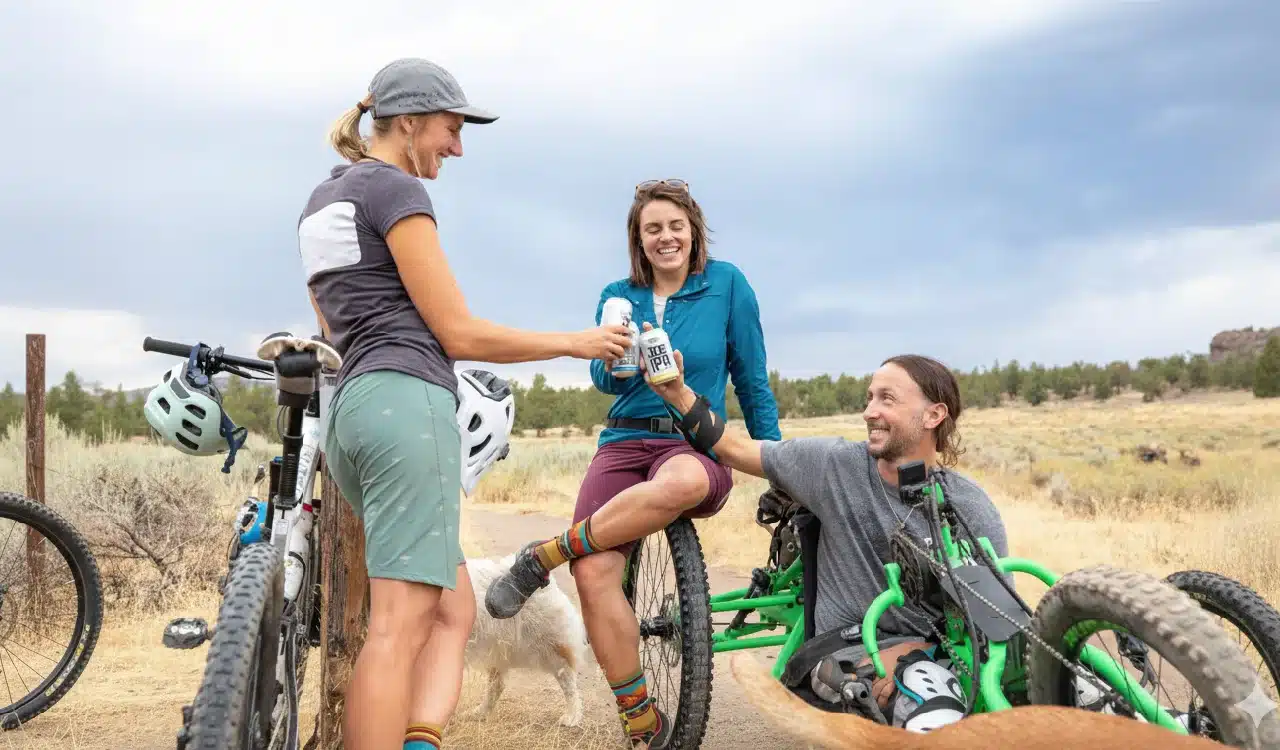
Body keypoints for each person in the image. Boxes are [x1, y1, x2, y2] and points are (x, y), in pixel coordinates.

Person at [298, 58, 633, 750]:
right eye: (451, 129)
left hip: (353, 415)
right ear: (412, 122)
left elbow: (332, 327)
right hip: (407, 406)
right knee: (396, 626)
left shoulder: (321, 202)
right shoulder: (394, 190)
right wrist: (576, 342)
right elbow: (457, 331)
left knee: (453, 610)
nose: (457, 146)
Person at [484, 179, 782, 748]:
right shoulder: (617, 293)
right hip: (623, 442)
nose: (665, 237)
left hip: (692, 439)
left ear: (693, 229)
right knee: (595, 573)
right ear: (637, 239)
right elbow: (602, 378)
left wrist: (779, 463)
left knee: (688, 480)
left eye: (675, 226)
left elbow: (753, 381)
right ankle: (639, 717)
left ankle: (547, 551)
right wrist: (613, 357)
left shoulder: (727, 285)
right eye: (652, 229)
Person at [642, 347, 1012, 733]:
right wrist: (676, 393)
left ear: (934, 415)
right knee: (934, 716)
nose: (870, 411)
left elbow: (995, 623)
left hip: (938, 652)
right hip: (848, 646)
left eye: (887, 399)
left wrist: (922, 648)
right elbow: (732, 449)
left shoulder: (969, 507)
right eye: (869, 398)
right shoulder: (834, 466)